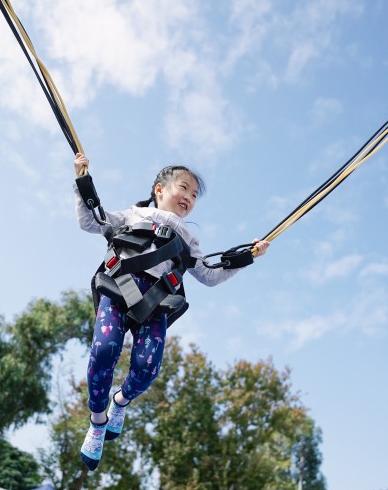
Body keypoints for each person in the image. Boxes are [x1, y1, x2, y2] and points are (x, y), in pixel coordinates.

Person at [73, 153, 270, 470]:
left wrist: (246, 257)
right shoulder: (133, 215)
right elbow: (89, 220)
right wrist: (81, 181)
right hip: (119, 285)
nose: (189, 197)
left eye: (194, 195)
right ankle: (97, 422)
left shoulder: (189, 237)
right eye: (184, 188)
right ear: (159, 189)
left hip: (156, 300)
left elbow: (209, 274)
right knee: (105, 350)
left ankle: (120, 402)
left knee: (147, 367)